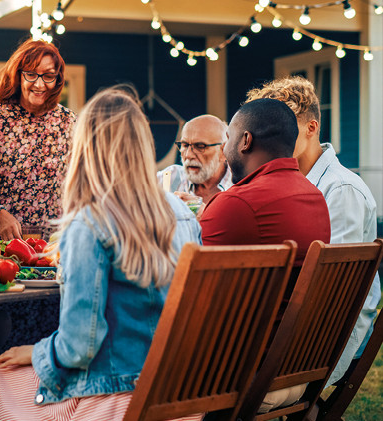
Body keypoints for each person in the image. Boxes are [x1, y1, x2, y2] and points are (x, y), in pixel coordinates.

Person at [0, 87, 202, 420]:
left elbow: (79, 347)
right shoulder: (184, 213)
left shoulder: (90, 222)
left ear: (85, 148)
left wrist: (38, 353)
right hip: (181, 394)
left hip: (116, 397)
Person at [245, 76, 381, 387]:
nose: (273, 140)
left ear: (311, 128)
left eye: (285, 129)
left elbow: (335, 295)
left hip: (327, 338)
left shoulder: (341, 190)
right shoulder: (281, 182)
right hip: (290, 322)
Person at [199, 97, 331, 413]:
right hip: (298, 369)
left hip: (241, 374)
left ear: (245, 141)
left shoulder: (237, 204)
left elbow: (184, 290)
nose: (223, 148)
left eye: (227, 138)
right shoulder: (314, 197)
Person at [0, 39, 76, 349]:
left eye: (48, 75)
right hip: (2, 251)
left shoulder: (68, 123)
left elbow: (82, 183)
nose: (39, 83)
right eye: (31, 74)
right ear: (17, 74)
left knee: (52, 331)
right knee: (5, 336)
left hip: (52, 251)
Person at [157, 114, 233, 204]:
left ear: (224, 150)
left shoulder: (241, 186)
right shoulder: (167, 179)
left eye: (200, 146)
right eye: (184, 145)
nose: (188, 155)